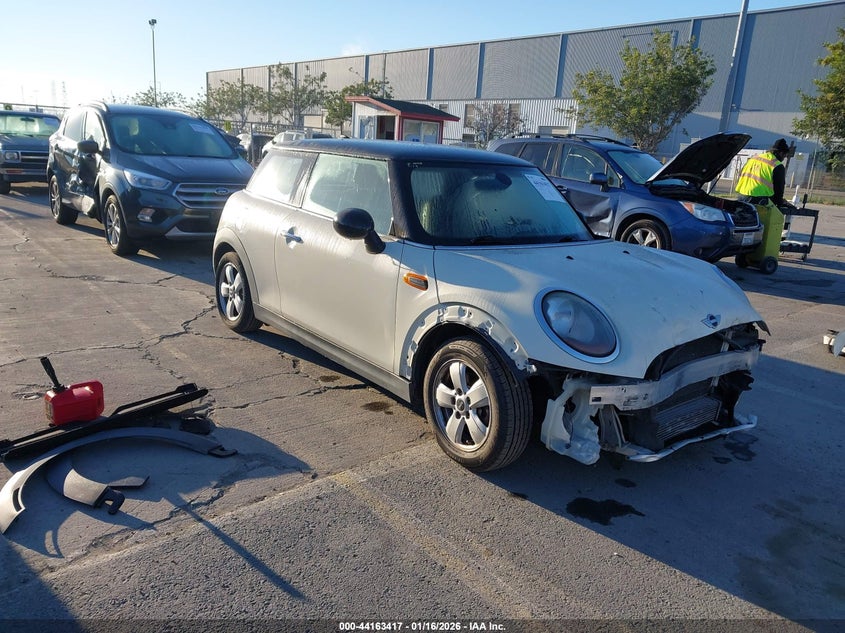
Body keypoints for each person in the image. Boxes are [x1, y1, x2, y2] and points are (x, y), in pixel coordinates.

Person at [735, 138, 790, 207]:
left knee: (741, 216)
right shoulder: (777, 165)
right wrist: (779, 203)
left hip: (742, 195)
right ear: (781, 153)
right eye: (784, 156)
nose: (784, 158)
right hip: (760, 199)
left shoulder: (753, 159)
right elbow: (779, 188)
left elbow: (741, 174)